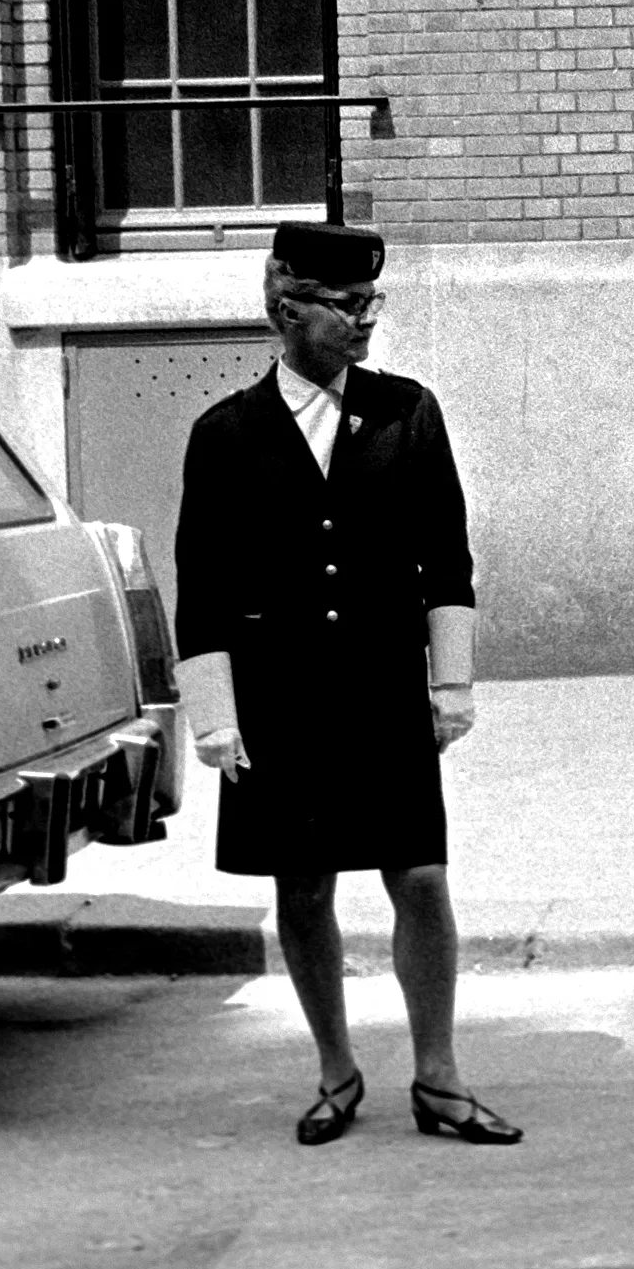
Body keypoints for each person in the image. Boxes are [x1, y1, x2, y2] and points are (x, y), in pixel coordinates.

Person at [173, 220, 513, 1146]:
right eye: (345, 305)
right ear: (287, 308)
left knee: (422, 879)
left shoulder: (408, 412)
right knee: (303, 890)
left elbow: (448, 562)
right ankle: (335, 1071)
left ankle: (438, 1078)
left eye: (372, 304)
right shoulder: (226, 434)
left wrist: (452, 686)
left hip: (381, 696)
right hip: (278, 704)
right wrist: (214, 719)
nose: (364, 322)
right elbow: (201, 587)